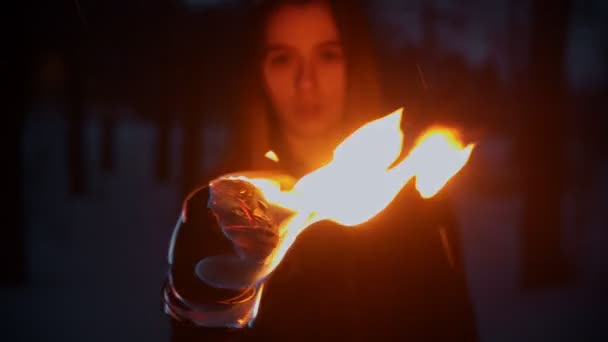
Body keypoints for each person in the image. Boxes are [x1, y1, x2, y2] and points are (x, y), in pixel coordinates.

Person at [163, 0, 479, 340]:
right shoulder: (222, 210)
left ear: (353, 63)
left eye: (327, 54)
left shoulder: (417, 199)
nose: (306, 81)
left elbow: (453, 325)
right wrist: (199, 303)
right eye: (283, 58)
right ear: (258, 70)